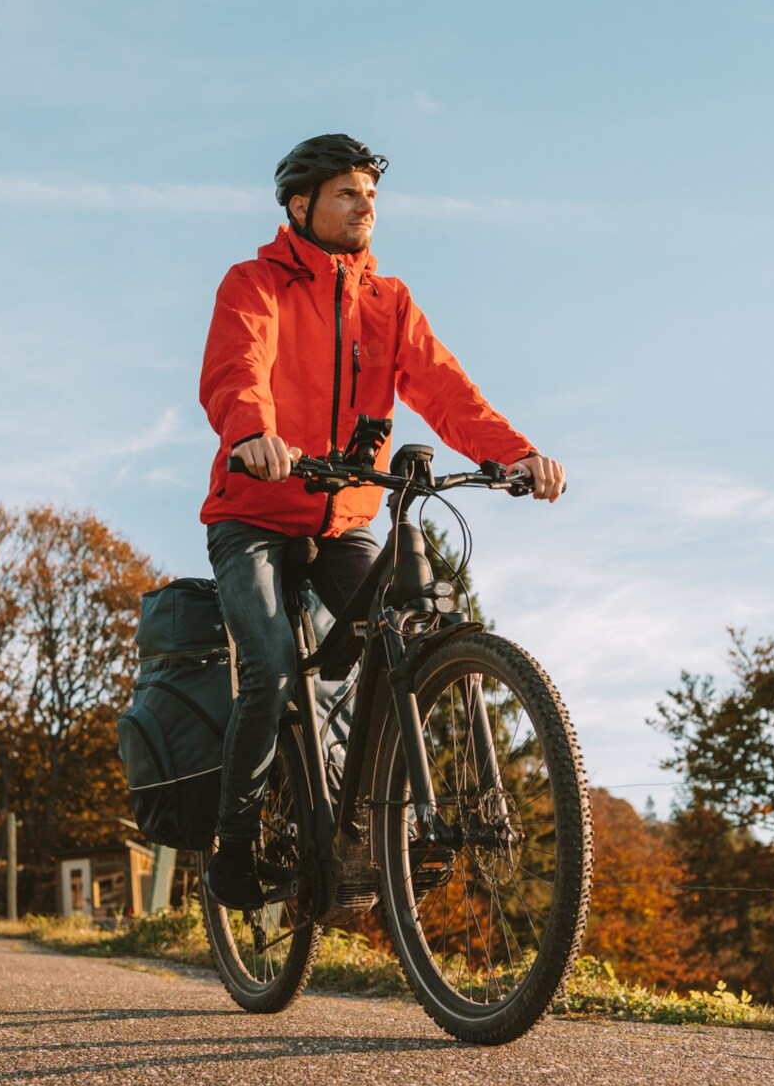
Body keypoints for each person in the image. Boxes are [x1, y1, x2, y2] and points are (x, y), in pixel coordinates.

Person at [196, 134, 565, 908]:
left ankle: (378, 823)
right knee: (270, 667)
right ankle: (233, 839)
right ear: (302, 205)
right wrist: (254, 434)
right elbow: (238, 369)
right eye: (348, 192)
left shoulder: (388, 302)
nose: (366, 204)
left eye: (371, 193)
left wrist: (517, 454)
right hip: (254, 513)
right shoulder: (255, 284)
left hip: (345, 518)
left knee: (401, 637)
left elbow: (448, 391)